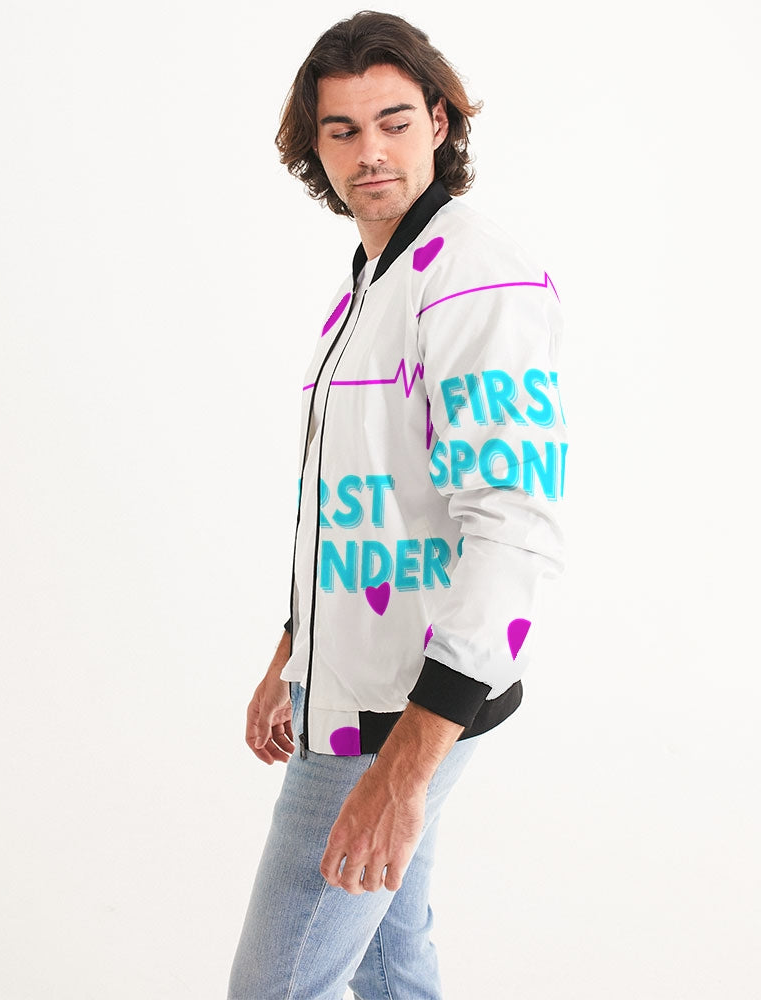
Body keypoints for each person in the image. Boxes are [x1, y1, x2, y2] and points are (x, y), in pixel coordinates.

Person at [228, 11, 567, 999]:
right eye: (341, 130)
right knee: (391, 965)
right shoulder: (369, 285)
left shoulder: (474, 277)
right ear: (316, 147)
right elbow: (359, 496)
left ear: (439, 123)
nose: (368, 151)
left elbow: (512, 523)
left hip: (399, 705)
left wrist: (407, 765)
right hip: (350, 683)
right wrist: (294, 650)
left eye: (393, 121)